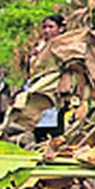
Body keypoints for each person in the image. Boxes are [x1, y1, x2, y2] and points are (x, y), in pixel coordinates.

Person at [30, 13, 66, 142]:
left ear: (60, 28)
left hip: (55, 90)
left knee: (56, 129)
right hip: (39, 88)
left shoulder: (64, 45)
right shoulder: (40, 46)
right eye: (44, 27)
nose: (47, 31)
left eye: (51, 27)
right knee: (38, 126)